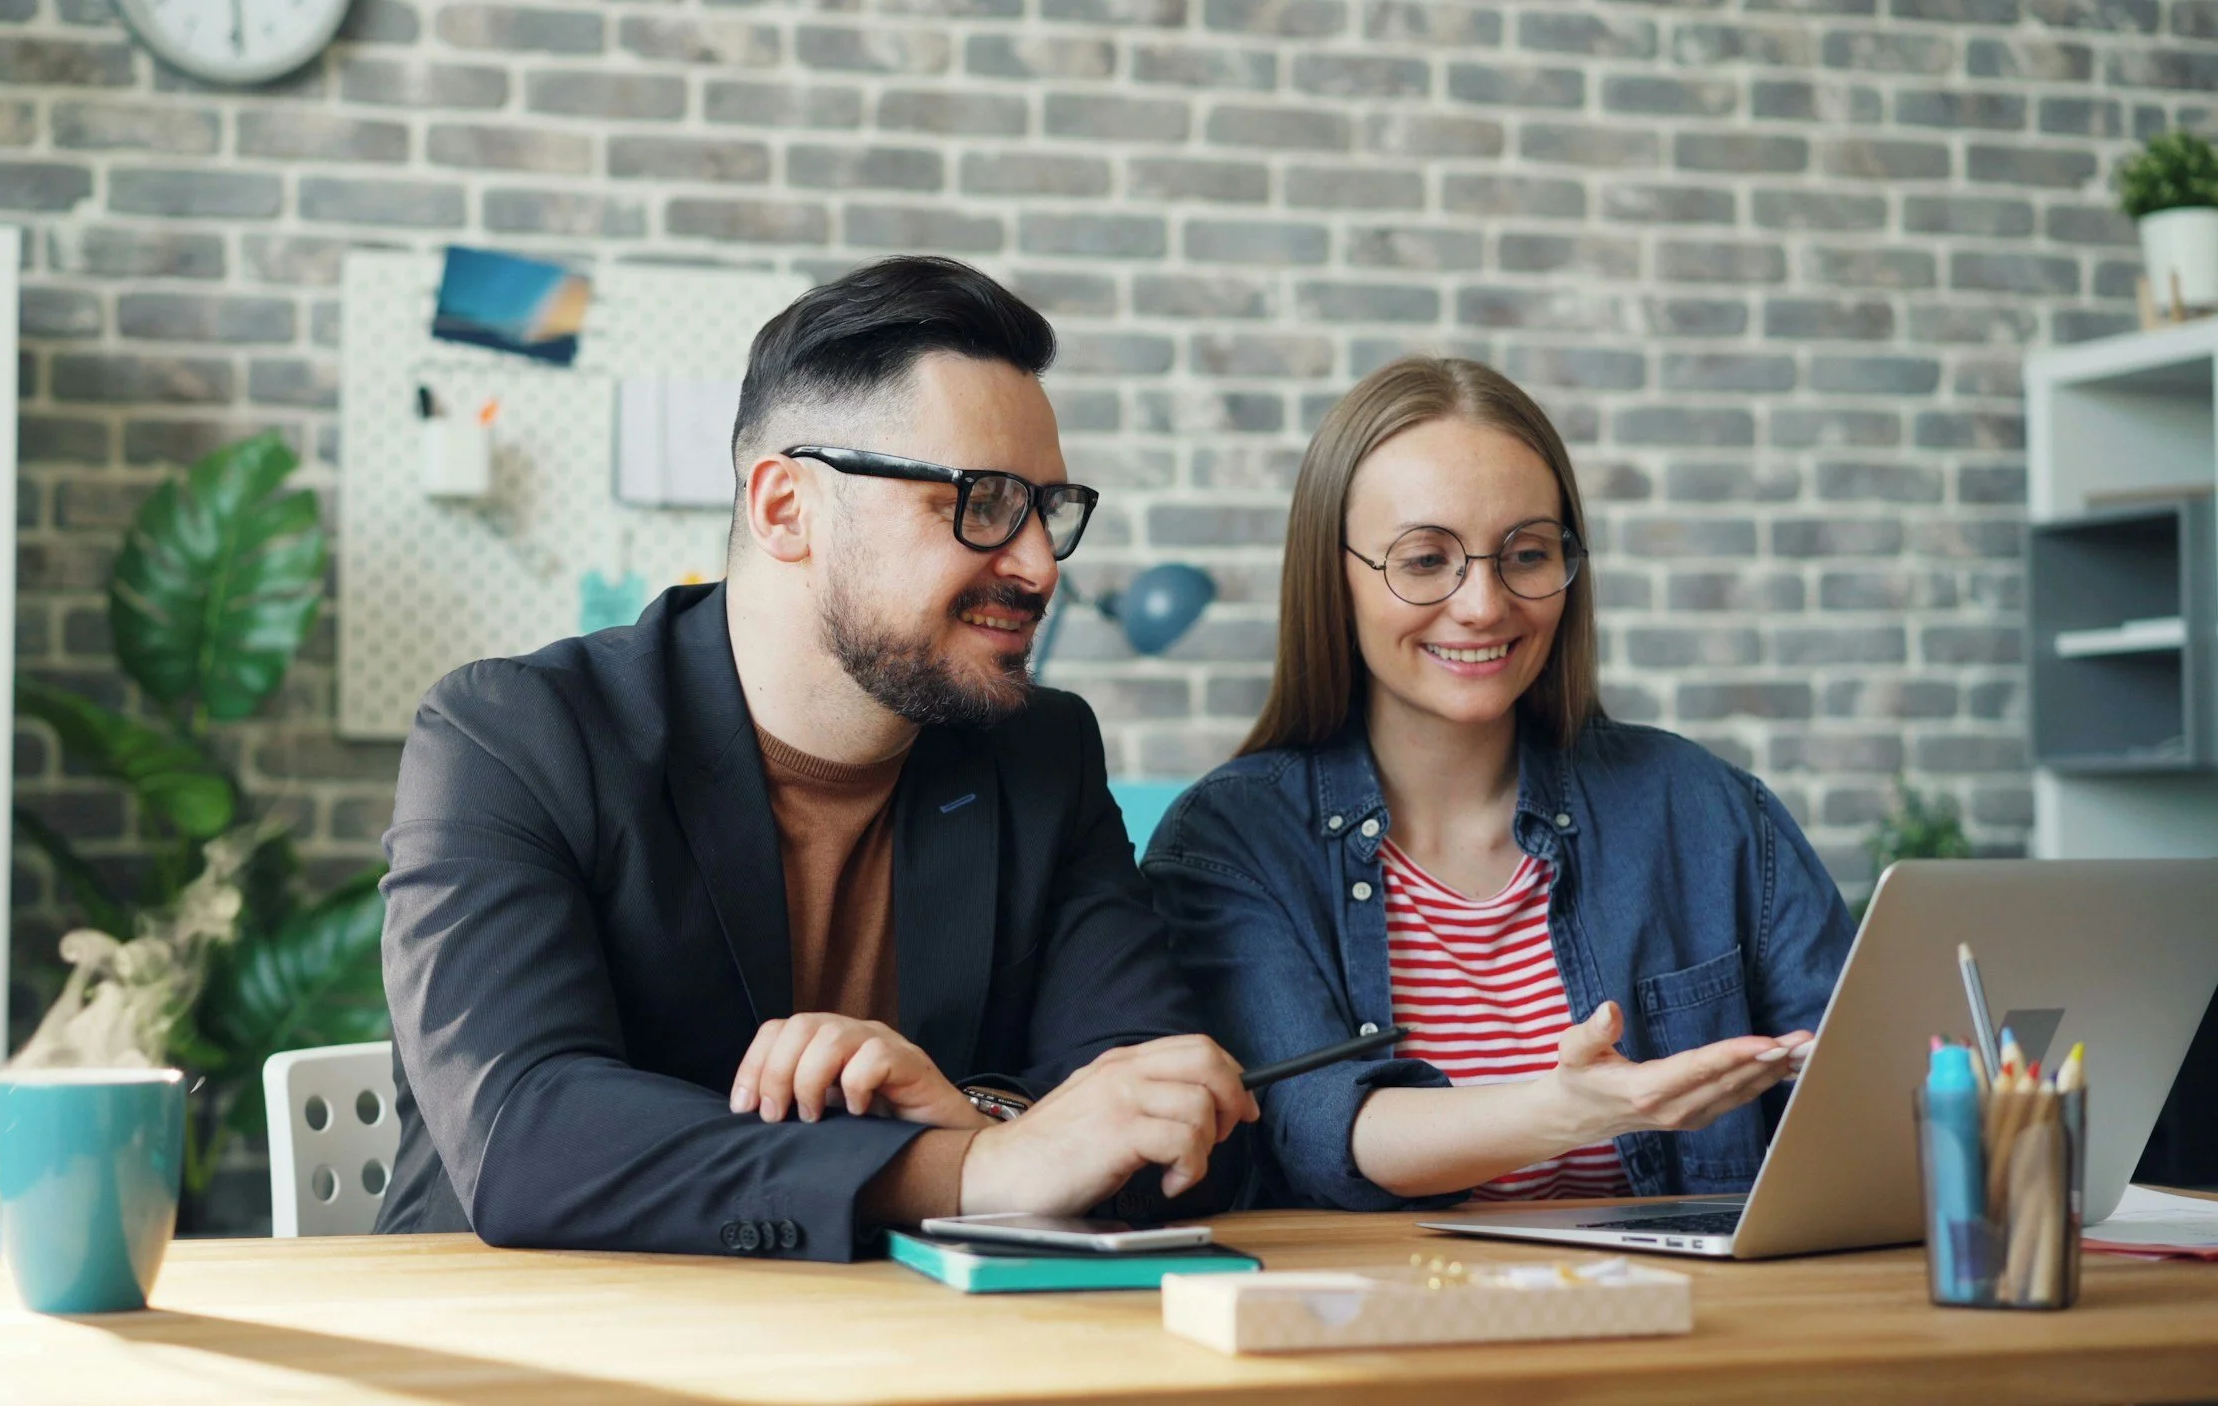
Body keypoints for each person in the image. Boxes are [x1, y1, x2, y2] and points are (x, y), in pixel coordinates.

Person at [377, 256, 1254, 1260]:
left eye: (1045, 509)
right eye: (980, 501)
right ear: (785, 506)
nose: (1037, 563)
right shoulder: (514, 736)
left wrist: (967, 1112)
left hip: (896, 1350)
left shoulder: (1037, 753)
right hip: (524, 1342)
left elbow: (1173, 1116)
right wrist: (970, 1168)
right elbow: (527, 1133)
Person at [1144, 356, 1851, 1212]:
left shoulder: (1707, 810)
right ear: (1334, 579)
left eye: (1526, 553)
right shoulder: (1231, 842)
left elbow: (1868, 1091)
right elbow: (1321, 1129)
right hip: (1384, 1329)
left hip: (1691, 1326)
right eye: (1425, 560)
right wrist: (1566, 1113)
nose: (1483, 604)